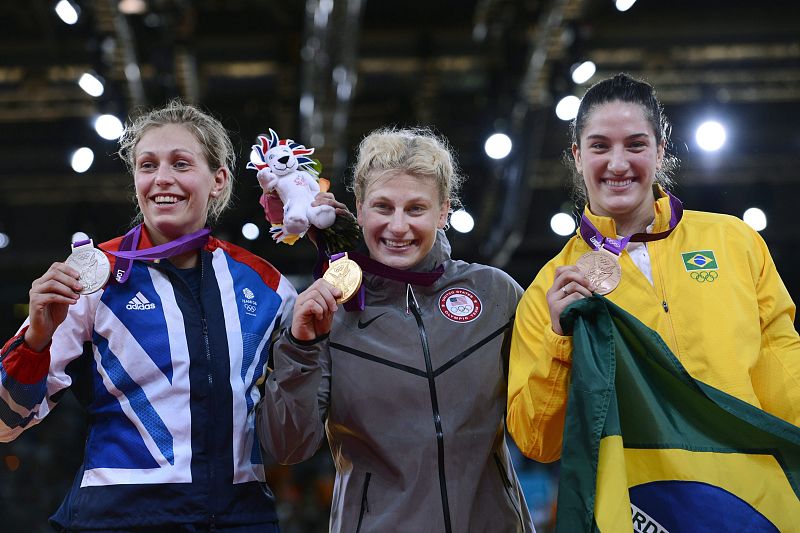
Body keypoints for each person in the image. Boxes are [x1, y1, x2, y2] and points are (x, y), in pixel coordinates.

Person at [0, 101, 297, 530]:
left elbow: (310, 403)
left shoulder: (266, 286)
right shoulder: (89, 277)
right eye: (147, 165)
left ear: (218, 180)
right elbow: (5, 424)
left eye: (181, 163)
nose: (162, 178)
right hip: (120, 518)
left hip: (240, 517)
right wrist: (35, 342)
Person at [507, 73, 800, 464]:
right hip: (638, 497)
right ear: (577, 156)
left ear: (660, 151)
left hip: (745, 489)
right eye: (600, 146)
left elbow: (782, 365)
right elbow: (537, 442)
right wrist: (560, 340)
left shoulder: (734, 241)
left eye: (635, 144)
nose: (618, 163)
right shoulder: (552, 286)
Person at [257, 127, 535, 532]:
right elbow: (288, 447)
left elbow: (542, 415)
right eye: (383, 207)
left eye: (416, 209)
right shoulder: (328, 312)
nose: (398, 226)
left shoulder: (495, 294)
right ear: (360, 208)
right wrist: (301, 347)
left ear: (443, 212)